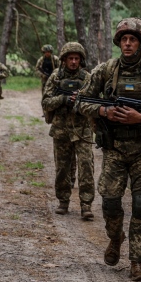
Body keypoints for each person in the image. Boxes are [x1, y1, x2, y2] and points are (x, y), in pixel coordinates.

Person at [75, 18, 141, 282]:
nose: (128, 43)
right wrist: (103, 110)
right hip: (114, 149)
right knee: (110, 203)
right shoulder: (105, 71)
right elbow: (81, 102)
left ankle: (137, 262)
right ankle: (115, 237)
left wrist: (140, 118)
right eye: (124, 39)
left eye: (133, 39)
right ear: (119, 42)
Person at [41, 42, 94, 220]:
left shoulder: (87, 78)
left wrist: (79, 102)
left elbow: (95, 103)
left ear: (81, 60)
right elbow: (46, 102)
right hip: (61, 129)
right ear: (64, 60)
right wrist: (63, 99)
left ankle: (86, 205)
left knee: (86, 166)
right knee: (62, 168)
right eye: (70, 58)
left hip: (83, 130)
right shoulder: (55, 77)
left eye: (76, 58)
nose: (73, 62)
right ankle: (63, 201)